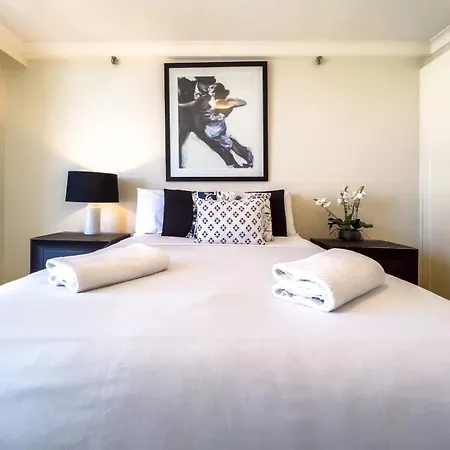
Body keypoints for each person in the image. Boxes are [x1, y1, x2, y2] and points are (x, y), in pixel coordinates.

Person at [177, 78, 253, 168]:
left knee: (229, 144)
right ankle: (238, 162)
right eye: (208, 85)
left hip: (216, 129)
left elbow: (241, 103)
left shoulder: (221, 103)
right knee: (226, 145)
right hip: (206, 128)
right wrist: (176, 105)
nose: (208, 88)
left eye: (211, 87)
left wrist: (224, 106)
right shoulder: (203, 99)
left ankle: (244, 161)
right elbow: (191, 105)